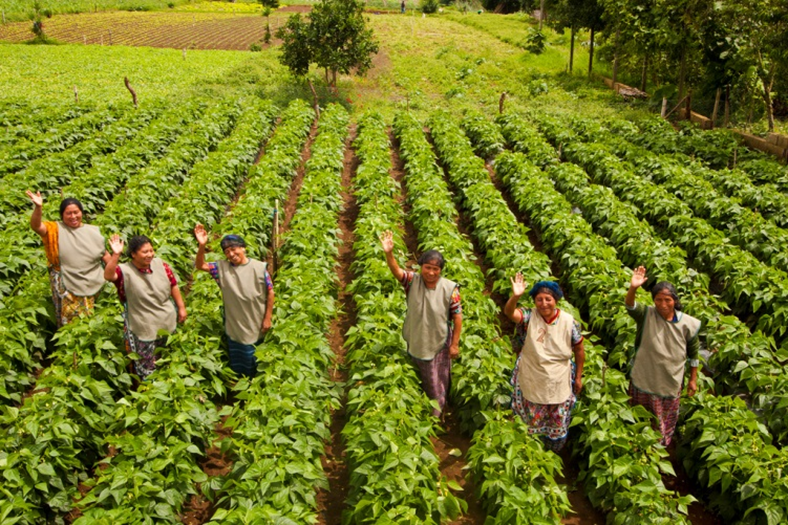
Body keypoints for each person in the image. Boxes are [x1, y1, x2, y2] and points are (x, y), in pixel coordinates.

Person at [380, 230, 462, 418]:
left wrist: (454, 344)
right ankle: (423, 405)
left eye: (436, 269)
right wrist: (388, 253)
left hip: (438, 340)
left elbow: (457, 316)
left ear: (441, 270)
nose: (431, 272)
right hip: (417, 337)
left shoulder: (450, 289)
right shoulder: (412, 281)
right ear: (420, 267)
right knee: (419, 372)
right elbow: (396, 271)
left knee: (436, 378)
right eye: (427, 267)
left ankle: (436, 412)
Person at [504, 273, 585, 451]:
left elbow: (579, 350)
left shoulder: (569, 322)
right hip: (532, 373)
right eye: (539, 299)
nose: (543, 303)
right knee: (531, 415)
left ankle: (552, 454)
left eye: (548, 299)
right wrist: (516, 296)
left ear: (556, 300)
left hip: (558, 376)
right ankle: (531, 451)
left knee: (557, 417)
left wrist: (578, 377)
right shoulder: (528, 316)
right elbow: (510, 313)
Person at [625, 266, 700, 446]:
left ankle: (657, 448)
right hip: (645, 377)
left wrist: (693, 379)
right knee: (640, 416)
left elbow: (694, 353)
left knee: (663, 420)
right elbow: (630, 306)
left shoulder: (688, 324)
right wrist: (633, 287)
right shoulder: (647, 315)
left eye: (667, 300)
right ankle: (638, 445)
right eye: (658, 300)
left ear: (675, 300)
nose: (662, 304)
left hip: (670, 380)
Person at [194, 224, 274, 377]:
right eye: (227, 251)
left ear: (243, 248)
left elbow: (270, 292)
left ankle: (256, 388)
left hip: (256, 321)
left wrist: (268, 318)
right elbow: (200, 265)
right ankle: (243, 387)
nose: (231, 254)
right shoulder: (221, 268)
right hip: (235, 324)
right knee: (239, 361)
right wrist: (202, 245)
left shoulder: (258, 267)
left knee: (258, 360)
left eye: (234, 249)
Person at [104, 234, 186, 380]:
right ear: (133, 254)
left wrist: (181, 307)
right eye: (145, 252)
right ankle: (149, 389)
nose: (150, 255)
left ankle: (165, 383)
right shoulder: (124, 271)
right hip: (143, 324)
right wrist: (116, 254)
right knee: (146, 363)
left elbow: (173, 284)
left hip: (166, 320)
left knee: (166, 357)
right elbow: (109, 276)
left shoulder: (160, 264)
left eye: (151, 251)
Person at [27, 190, 111, 327]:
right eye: (68, 213)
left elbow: (105, 254)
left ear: (82, 213)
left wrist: (118, 274)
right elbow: (36, 226)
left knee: (92, 319)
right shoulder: (55, 230)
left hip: (91, 280)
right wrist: (38, 207)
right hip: (66, 282)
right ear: (62, 215)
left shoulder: (92, 231)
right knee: (72, 321)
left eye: (76, 212)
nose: (73, 216)